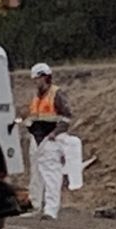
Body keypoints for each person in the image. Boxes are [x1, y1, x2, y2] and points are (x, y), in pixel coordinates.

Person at [20, 63, 73, 220]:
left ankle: (50, 209)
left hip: (50, 139)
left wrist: (55, 133)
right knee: (36, 174)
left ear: (44, 77)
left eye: (36, 78)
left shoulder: (56, 94)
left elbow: (66, 117)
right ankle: (35, 205)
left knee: (51, 174)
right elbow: (35, 117)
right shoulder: (37, 96)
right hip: (36, 139)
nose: (35, 82)